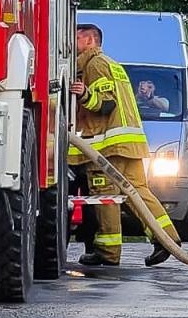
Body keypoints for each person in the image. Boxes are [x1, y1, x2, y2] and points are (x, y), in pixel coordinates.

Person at [69, 23, 176, 267]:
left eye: (76, 38)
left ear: (90, 41)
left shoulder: (94, 64)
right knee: (138, 193)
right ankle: (167, 239)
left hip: (107, 148)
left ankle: (108, 252)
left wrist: (84, 94)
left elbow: (106, 104)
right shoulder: (113, 64)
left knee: (105, 196)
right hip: (129, 145)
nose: (71, 44)